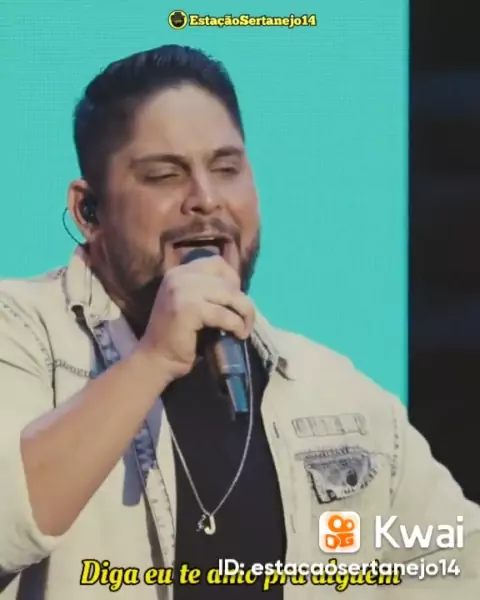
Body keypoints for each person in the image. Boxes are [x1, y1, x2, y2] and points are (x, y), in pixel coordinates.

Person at [0, 45, 478, 600]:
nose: (206, 200)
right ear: (89, 211)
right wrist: (154, 359)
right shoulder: (22, 331)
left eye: (226, 169)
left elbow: (454, 566)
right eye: (164, 175)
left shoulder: (332, 392)